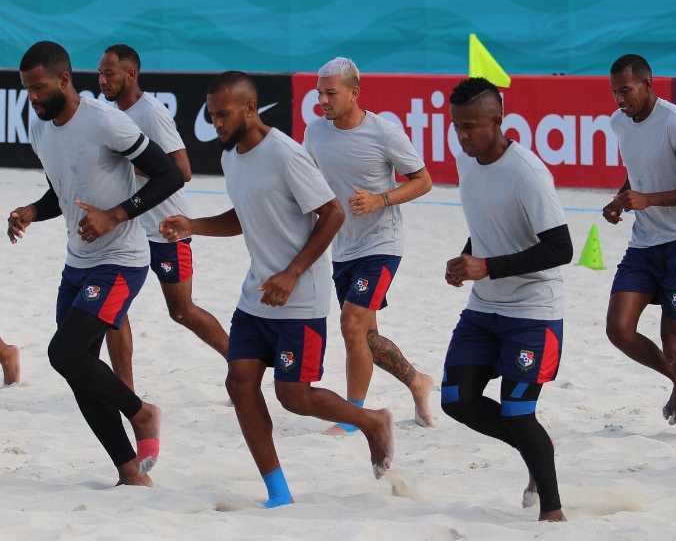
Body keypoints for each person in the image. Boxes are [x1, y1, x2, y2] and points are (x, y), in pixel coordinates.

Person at [160, 71, 394, 507]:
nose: (217, 125)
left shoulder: (286, 154)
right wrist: (194, 226)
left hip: (300, 298)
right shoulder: (232, 157)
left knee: (294, 397)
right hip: (256, 296)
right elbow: (245, 215)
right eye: (211, 117)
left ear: (249, 109)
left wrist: (291, 274)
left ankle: (371, 421)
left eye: (224, 115)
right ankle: (278, 493)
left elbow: (333, 214)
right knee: (239, 382)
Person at [8, 41, 183, 485]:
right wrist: (32, 210)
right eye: (26, 89)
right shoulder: (40, 127)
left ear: (65, 80)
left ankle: (143, 414)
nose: (33, 97)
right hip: (77, 262)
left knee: (62, 351)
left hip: (121, 260)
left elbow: (170, 173)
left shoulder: (106, 121)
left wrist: (116, 215)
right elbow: (60, 193)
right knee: (76, 367)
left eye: (40, 87)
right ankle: (130, 472)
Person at [441, 77, 572, 522]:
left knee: (518, 413)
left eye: (472, 126)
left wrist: (488, 266)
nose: (463, 135)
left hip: (533, 312)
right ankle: (537, 447)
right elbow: (485, 228)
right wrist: (465, 259)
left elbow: (561, 249)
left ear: (498, 121)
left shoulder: (528, 173)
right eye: (457, 126)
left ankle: (552, 512)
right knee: (456, 400)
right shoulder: (467, 163)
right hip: (484, 307)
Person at [303, 57, 435, 433]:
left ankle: (353, 417)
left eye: (331, 93)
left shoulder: (384, 132)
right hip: (342, 246)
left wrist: (381, 199)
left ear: (354, 93)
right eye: (319, 93)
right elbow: (306, 182)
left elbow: (423, 181)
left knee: (350, 323)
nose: (322, 101)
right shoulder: (315, 133)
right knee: (366, 336)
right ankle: (416, 381)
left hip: (382, 242)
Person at [98, 44, 229, 390]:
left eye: (108, 73)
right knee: (113, 310)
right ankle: (123, 391)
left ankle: (239, 364)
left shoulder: (151, 112)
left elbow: (182, 171)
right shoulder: (108, 114)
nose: (102, 80)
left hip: (167, 228)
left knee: (182, 311)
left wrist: (126, 168)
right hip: (130, 230)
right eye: (99, 73)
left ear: (131, 74)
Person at [603, 54, 676, 445]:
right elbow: (635, 171)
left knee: (674, 346)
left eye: (626, 90)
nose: (620, 99)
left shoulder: (675, 123)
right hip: (643, 244)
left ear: (648, 84)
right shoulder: (620, 122)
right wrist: (620, 199)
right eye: (615, 91)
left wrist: (648, 199)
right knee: (618, 330)